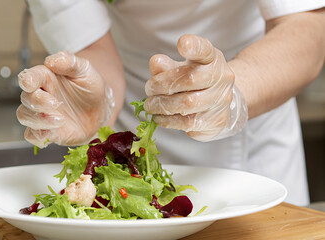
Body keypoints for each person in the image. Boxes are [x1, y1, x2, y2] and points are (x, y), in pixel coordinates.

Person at [16, 0, 325, 206]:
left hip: (253, 101)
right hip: (132, 125)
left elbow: (306, 27)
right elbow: (92, 43)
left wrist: (230, 94)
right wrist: (96, 97)